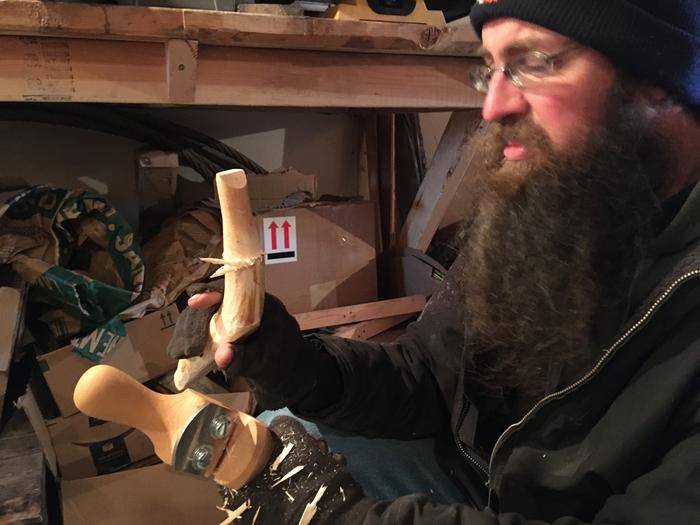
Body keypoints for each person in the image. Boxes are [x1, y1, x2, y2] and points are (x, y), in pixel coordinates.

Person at [168, 1, 700, 523]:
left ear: (657, 73)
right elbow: (428, 375)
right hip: (487, 480)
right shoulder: (568, 203)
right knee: (283, 428)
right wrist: (298, 367)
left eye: (536, 61)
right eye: (489, 68)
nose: (492, 108)